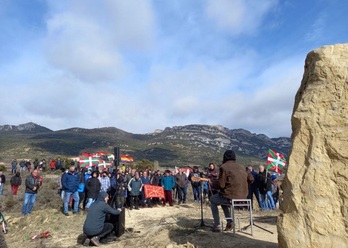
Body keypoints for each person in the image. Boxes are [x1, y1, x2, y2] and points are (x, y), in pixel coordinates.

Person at [210, 150, 254, 232]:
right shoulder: (242, 167)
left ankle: (217, 225)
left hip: (230, 197)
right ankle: (230, 222)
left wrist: (213, 184)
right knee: (222, 200)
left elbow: (221, 185)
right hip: (244, 198)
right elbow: (251, 179)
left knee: (213, 199)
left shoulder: (224, 167)